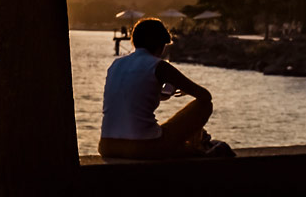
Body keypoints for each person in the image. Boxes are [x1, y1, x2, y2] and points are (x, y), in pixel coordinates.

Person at [98, 17, 233, 159]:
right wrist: (187, 89)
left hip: (107, 146)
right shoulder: (159, 65)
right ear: (160, 45)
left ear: (134, 41)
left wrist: (161, 94)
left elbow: (135, 97)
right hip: (143, 146)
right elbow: (205, 96)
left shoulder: (115, 65)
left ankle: (193, 145)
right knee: (205, 105)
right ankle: (197, 145)